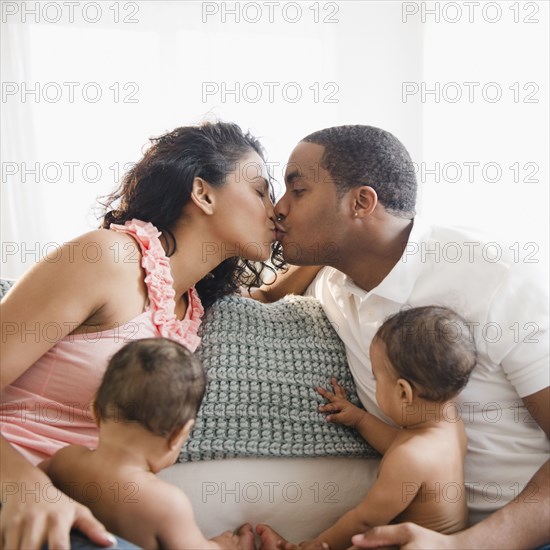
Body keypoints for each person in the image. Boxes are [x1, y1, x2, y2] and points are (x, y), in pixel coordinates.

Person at [265, 125, 549, 549]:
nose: (277, 209)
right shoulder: (333, 281)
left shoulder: (493, 277)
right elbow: (267, 294)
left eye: (297, 190)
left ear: (361, 202)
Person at [0, 121, 279, 550]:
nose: (275, 211)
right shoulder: (106, 258)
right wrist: (26, 489)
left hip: (82, 515)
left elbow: (281, 287)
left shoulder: (188, 308)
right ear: (203, 193)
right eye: (261, 191)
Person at [256, 306, 477, 550]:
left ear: (404, 392)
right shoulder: (448, 424)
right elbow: (398, 444)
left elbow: (364, 521)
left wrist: (313, 545)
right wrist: (360, 419)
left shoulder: (411, 457)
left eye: (376, 378)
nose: (373, 384)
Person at [44, 337, 255, 550]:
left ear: (95, 411)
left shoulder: (64, 461)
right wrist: (224, 546)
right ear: (178, 435)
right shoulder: (166, 504)